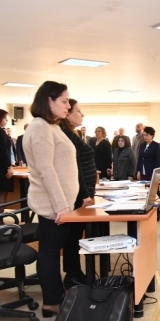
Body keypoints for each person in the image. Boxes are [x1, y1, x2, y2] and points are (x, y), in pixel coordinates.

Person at [22, 81, 78, 317]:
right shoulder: (40, 128)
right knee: (50, 252)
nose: (68, 105)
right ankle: (52, 302)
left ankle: (55, 297)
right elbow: (46, 170)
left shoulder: (51, 126)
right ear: (49, 100)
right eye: (64, 101)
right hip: (53, 206)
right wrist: (60, 206)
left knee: (52, 251)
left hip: (61, 205)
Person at [58, 98, 96, 289]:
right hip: (77, 195)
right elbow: (76, 169)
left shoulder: (72, 133)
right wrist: (85, 194)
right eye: (79, 111)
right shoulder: (65, 135)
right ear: (68, 114)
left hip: (81, 193)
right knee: (72, 236)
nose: (82, 114)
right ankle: (72, 274)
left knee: (75, 235)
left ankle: (74, 271)